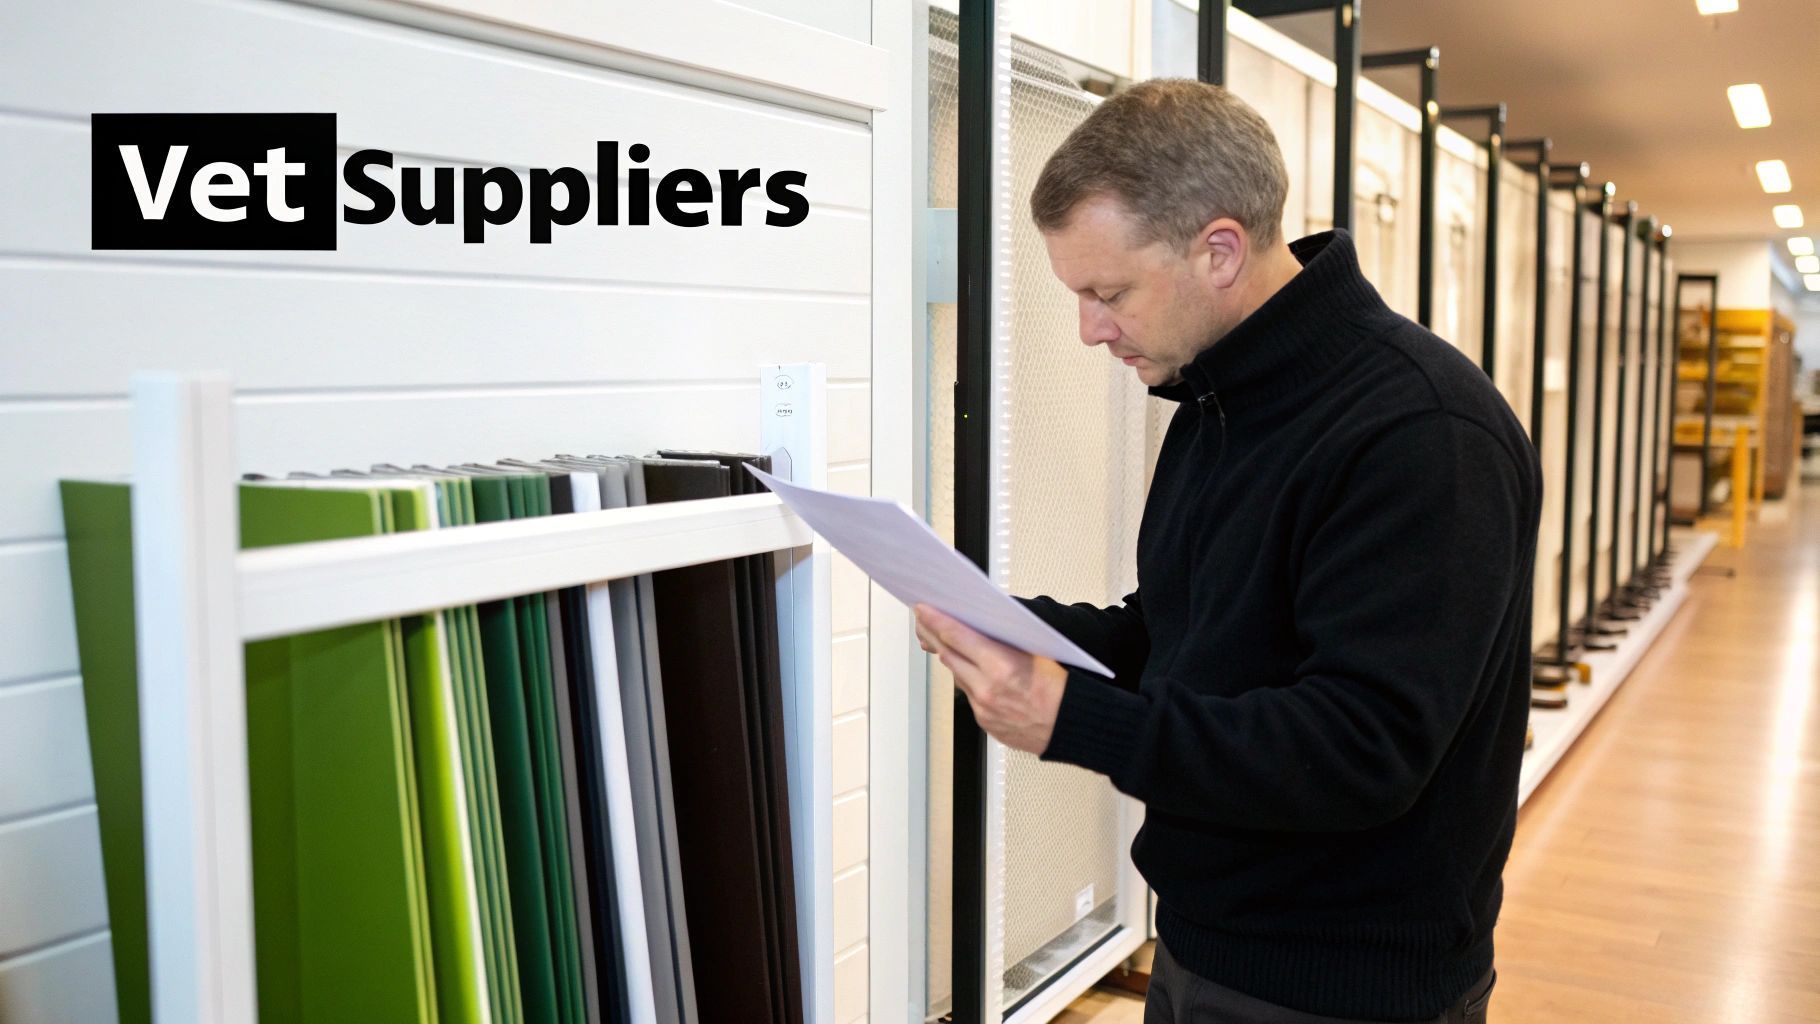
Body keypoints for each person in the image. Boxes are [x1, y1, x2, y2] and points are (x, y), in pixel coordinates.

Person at [913, 79, 1540, 1024]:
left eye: (1107, 291)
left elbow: (1359, 750)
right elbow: (1184, 631)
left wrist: (1070, 717)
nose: (1090, 328)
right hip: (1207, 942)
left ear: (1218, 250)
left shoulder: (1424, 432)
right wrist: (1012, 625)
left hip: (1344, 990)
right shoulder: (1217, 402)